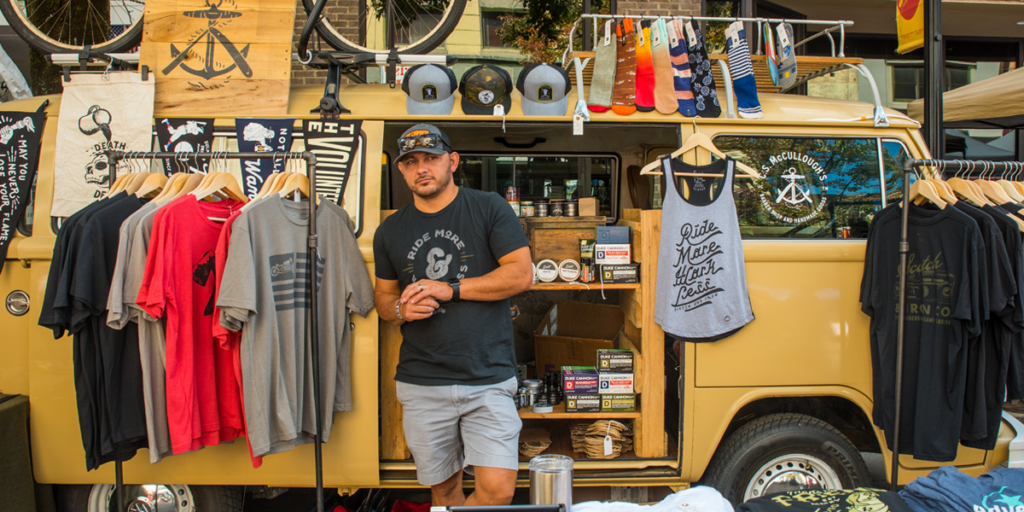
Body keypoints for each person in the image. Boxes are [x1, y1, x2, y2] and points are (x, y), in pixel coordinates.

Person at [373, 124, 534, 505]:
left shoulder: (488, 207)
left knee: (497, 490)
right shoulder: (389, 230)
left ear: (453, 161)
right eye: (411, 162)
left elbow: (521, 274)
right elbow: (383, 296)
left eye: (431, 158)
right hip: (423, 380)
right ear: (402, 170)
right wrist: (400, 309)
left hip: (488, 376)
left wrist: (452, 289)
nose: (421, 168)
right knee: (444, 491)